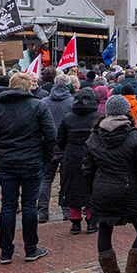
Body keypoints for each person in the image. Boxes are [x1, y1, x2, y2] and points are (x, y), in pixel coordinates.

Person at [0, 73, 57, 264]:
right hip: (29, 162)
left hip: (12, 162)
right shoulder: (37, 106)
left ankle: (7, 252)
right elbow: (51, 136)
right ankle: (29, 249)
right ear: (28, 87)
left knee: (9, 205)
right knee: (28, 204)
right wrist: (44, 158)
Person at [83, 94, 137, 273]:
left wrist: (93, 187)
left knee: (105, 229)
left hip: (103, 190)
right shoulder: (134, 136)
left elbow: (87, 168)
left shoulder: (95, 136)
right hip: (129, 189)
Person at [56, 89, 100, 234]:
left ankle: (75, 222)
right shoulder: (99, 117)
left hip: (72, 155)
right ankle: (91, 221)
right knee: (91, 188)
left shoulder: (68, 118)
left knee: (72, 188)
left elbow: (60, 139)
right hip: (93, 155)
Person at [38, 74, 75, 224]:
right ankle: (67, 211)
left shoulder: (43, 102)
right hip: (66, 146)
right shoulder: (72, 102)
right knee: (66, 180)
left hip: (48, 146)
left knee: (46, 179)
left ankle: (42, 212)